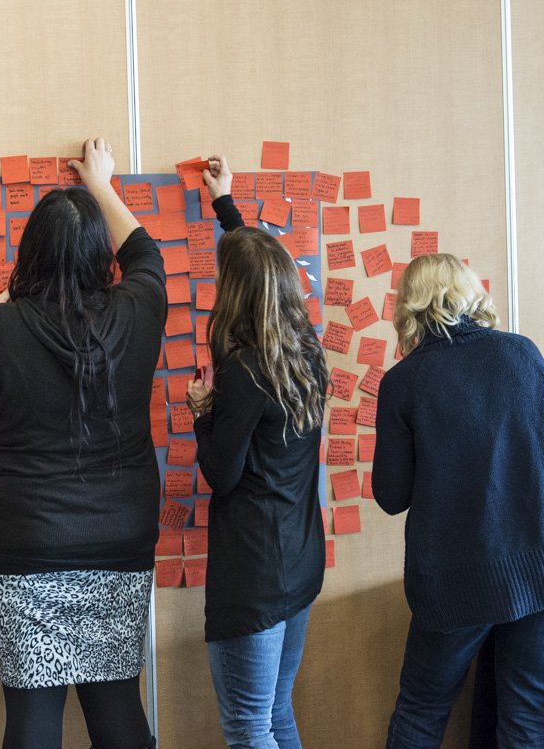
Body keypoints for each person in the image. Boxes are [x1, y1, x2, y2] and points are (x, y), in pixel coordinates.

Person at [0, 137, 165, 749]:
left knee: (32, 718)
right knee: (117, 706)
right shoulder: (137, 311)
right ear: (97, 256)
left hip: (24, 545)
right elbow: (146, 253)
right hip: (118, 542)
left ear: (29, 252)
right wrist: (102, 183)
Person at [372, 253, 544, 748]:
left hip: (459, 581)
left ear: (408, 307)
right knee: (525, 715)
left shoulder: (403, 382)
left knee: (421, 711)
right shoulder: (523, 354)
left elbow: (391, 497)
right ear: (470, 293)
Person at [185, 156, 328, 749]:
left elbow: (222, 474)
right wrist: (226, 205)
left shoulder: (244, 372)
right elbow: (258, 266)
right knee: (275, 715)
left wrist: (201, 411)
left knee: (248, 727)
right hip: (299, 561)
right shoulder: (307, 353)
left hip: (255, 574)